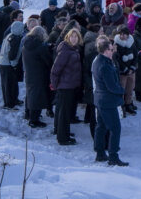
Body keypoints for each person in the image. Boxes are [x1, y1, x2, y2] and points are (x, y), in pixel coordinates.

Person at [92, 34, 129, 166]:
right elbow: (112, 86)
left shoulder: (99, 61)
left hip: (100, 100)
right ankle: (113, 156)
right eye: (111, 49)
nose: (113, 51)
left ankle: (100, 153)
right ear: (105, 51)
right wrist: (122, 91)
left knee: (101, 127)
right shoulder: (105, 65)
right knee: (115, 128)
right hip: (107, 101)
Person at [50, 27, 83, 145]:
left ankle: (63, 132)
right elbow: (55, 69)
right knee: (64, 112)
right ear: (67, 37)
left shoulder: (73, 49)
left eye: (76, 36)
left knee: (64, 111)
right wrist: (55, 85)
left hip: (70, 85)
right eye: (72, 36)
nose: (74, 39)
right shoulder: (66, 51)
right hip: (65, 86)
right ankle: (63, 138)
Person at [22, 25, 52, 128]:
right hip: (40, 74)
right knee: (37, 97)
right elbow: (48, 61)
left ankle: (29, 114)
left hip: (29, 73)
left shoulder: (26, 45)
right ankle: (34, 120)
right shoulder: (40, 47)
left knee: (30, 94)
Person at [0, 19, 25, 109]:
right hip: (8, 64)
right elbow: (12, 55)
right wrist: (14, 65)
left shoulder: (9, 35)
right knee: (8, 84)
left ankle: (13, 99)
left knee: (11, 83)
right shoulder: (16, 38)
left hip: (3, 62)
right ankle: (9, 103)